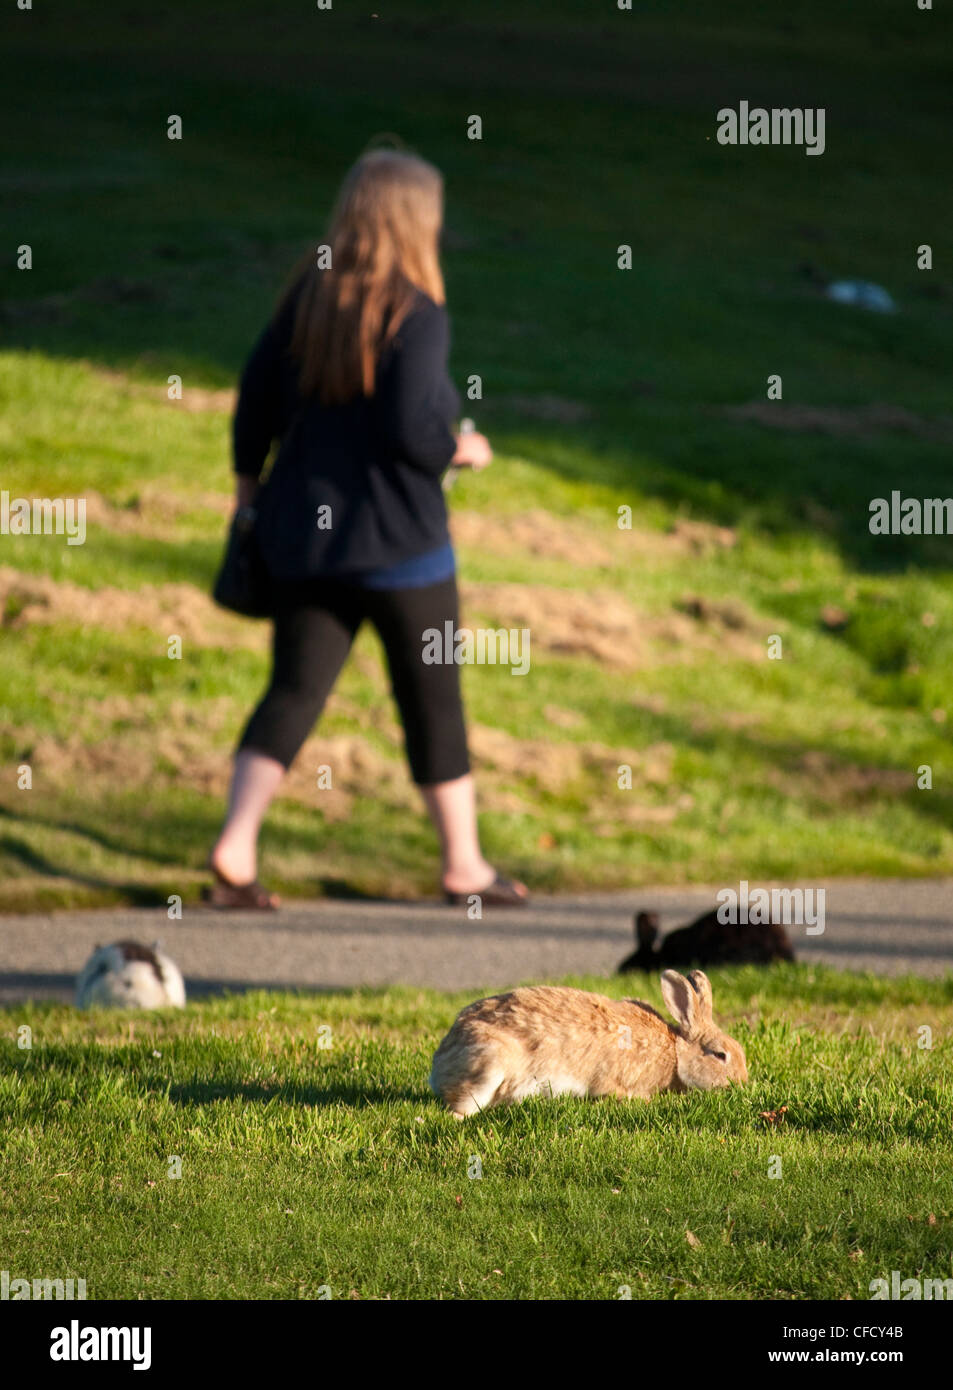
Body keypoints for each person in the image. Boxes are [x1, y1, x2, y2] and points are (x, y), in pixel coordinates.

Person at [206, 149, 529, 910]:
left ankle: (235, 844)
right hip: (403, 551)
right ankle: (464, 867)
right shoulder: (417, 314)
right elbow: (410, 428)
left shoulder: (306, 299)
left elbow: (252, 402)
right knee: (432, 704)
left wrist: (247, 496)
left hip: (305, 545)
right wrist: (462, 450)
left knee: (291, 693)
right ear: (415, 221)